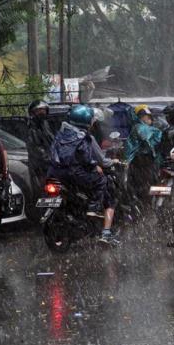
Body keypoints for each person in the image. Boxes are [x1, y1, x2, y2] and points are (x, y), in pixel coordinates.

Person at [47, 105, 119, 245]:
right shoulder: (85, 137)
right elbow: (96, 159)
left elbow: (52, 152)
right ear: (86, 120)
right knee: (102, 181)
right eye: (92, 120)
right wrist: (101, 164)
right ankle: (95, 210)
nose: (93, 122)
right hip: (75, 174)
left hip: (54, 172)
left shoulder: (60, 133)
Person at [125, 105, 163, 203]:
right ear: (141, 116)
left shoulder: (141, 127)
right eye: (147, 116)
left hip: (143, 163)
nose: (150, 118)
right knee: (145, 188)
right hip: (142, 163)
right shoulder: (141, 128)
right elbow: (148, 139)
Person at [26, 100, 55, 204]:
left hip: (51, 164)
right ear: (32, 113)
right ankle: (43, 215)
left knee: (55, 191)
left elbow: (53, 141)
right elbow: (35, 148)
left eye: (43, 110)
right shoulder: (32, 128)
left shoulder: (45, 125)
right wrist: (48, 158)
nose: (42, 113)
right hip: (39, 166)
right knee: (45, 192)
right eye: (38, 111)